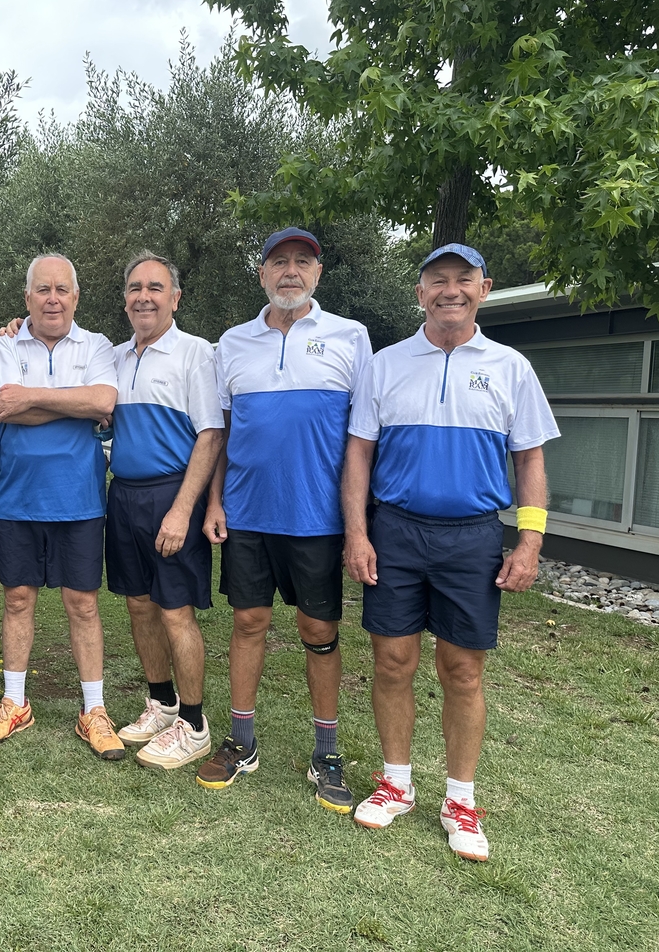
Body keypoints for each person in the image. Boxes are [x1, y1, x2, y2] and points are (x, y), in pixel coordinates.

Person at [342, 243, 558, 861]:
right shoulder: (384, 364)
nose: (450, 290)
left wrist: (530, 541)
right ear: (420, 294)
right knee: (392, 661)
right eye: (437, 280)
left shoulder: (512, 367)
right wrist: (357, 534)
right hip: (396, 531)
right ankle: (396, 783)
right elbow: (359, 454)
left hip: (473, 538)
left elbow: (530, 459)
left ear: (484, 289)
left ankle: (460, 800)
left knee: (462, 670)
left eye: (464, 279)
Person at [196, 228, 372, 815]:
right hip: (247, 514)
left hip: (317, 517)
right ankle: (241, 742)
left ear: (318, 273)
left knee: (318, 631)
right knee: (248, 622)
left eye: (302, 261)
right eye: (278, 262)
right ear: (262, 274)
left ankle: (326, 753)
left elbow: (363, 438)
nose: (290, 271)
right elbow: (222, 433)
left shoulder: (351, 336)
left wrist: (357, 525)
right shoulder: (233, 343)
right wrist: (215, 501)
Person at [0, 254, 122, 759]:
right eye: (42, 289)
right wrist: (73, 403)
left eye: (61, 289)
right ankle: (14, 704)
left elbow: (103, 403)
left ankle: (94, 710)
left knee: (83, 604)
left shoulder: (97, 345)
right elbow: (5, 409)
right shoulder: (5, 346)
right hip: (17, 500)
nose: (52, 299)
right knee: (17, 600)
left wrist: (34, 398)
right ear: (27, 297)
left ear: (75, 297)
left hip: (80, 500)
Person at [105, 251, 223, 770]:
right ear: (125, 300)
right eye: (135, 288)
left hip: (171, 494)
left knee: (176, 610)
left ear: (175, 298)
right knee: (139, 605)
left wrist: (182, 510)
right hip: (124, 495)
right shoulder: (114, 357)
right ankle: (162, 703)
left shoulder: (195, 352)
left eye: (155, 287)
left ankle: (193, 724)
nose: (144, 297)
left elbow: (211, 434)